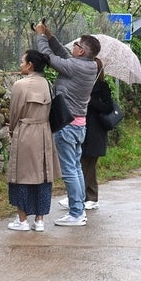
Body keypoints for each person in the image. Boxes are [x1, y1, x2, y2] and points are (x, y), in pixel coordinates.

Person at [34, 22, 100, 227]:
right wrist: (50, 36)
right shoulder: (88, 65)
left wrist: (40, 37)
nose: (73, 46)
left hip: (67, 125)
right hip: (79, 124)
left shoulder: (75, 66)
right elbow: (63, 54)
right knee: (77, 169)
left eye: (76, 44)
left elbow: (48, 57)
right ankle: (78, 209)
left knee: (70, 170)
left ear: (81, 51)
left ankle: (76, 213)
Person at [6, 49, 60, 232]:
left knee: (21, 176)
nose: (20, 64)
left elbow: (15, 113)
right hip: (44, 132)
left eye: (22, 61)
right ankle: (40, 220)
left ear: (30, 65)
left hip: (25, 132)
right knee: (43, 176)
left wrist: (13, 130)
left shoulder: (20, 85)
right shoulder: (46, 83)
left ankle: (22, 220)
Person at [80, 61, 114, 210]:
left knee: (88, 162)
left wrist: (91, 101)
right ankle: (83, 195)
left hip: (96, 130)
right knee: (82, 162)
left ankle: (90, 197)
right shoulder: (82, 84)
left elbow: (108, 108)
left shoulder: (103, 87)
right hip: (82, 127)